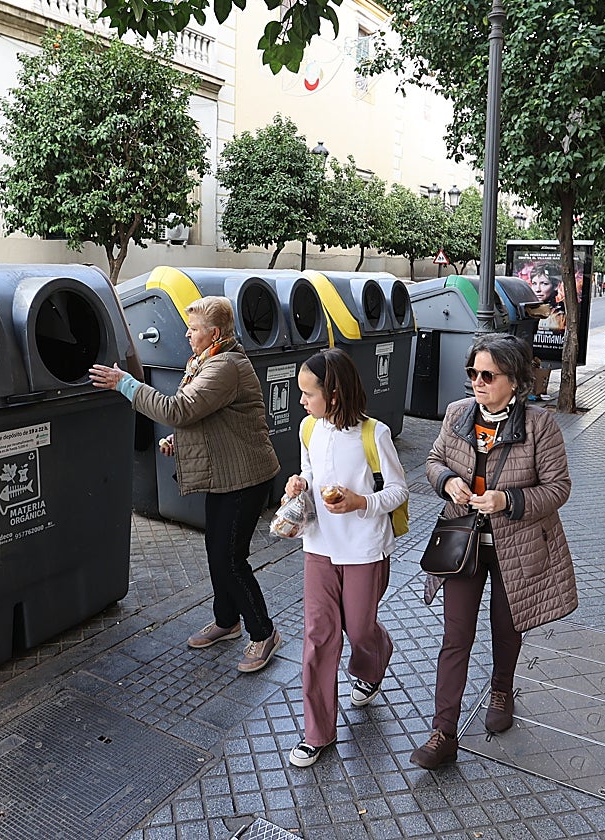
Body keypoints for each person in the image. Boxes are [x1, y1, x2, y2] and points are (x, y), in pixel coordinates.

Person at [89, 296, 283, 674]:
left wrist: (126, 385)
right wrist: (180, 440)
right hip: (226, 472)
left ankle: (264, 632)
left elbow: (179, 409)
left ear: (213, 332)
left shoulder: (226, 365)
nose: (186, 333)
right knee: (217, 552)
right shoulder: (207, 358)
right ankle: (227, 622)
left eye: (193, 329)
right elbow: (205, 415)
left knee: (230, 558)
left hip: (246, 477)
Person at [411, 333, 577, 770]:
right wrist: (446, 481)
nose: (477, 382)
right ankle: (443, 731)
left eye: (488, 375)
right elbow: (432, 460)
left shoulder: (540, 425)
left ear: (516, 381)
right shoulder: (457, 414)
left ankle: (502, 688)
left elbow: (559, 488)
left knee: (507, 627)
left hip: (516, 548)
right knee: (455, 637)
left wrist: (510, 501)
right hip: (461, 545)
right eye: (473, 373)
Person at [280, 348, 408, 767]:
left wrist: (360, 502)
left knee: (359, 629)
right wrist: (299, 484)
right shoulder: (308, 428)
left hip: (364, 549)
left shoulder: (375, 434)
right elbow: (312, 472)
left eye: (308, 393)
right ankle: (317, 733)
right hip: (318, 544)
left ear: (332, 394)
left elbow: (398, 492)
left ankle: (374, 659)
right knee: (319, 637)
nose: (302, 401)